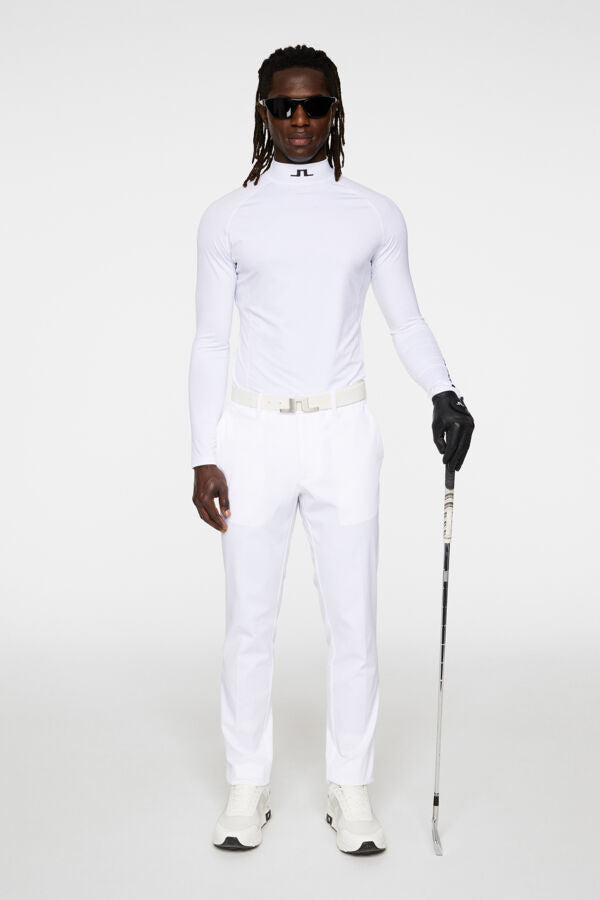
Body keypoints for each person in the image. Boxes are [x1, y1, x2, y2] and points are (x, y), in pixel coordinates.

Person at [189, 44, 475, 855]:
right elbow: (210, 342)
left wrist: (445, 391)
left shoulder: (373, 214)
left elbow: (405, 321)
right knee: (249, 623)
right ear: (263, 113)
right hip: (253, 435)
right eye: (284, 106)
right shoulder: (228, 217)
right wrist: (203, 453)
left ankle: (350, 786)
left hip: (343, 433)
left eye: (314, 105)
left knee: (354, 622)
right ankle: (248, 783)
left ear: (335, 111)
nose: (300, 119)